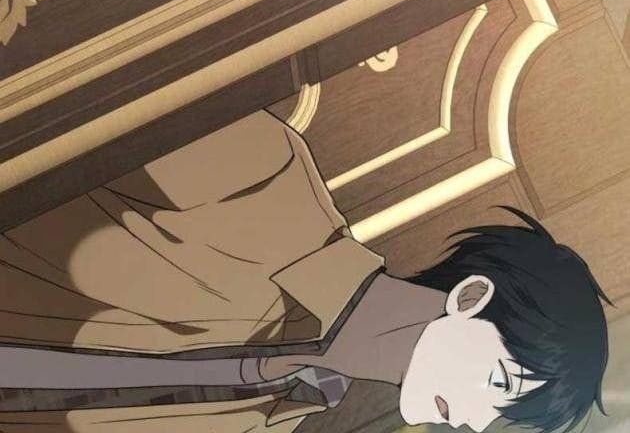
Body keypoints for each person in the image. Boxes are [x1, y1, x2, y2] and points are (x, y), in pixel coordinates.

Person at [0, 109, 609, 433]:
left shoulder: (280, 413)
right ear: (470, 297)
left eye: (497, 416)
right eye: (498, 382)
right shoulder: (263, 175)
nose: (473, 422)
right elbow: (63, 104)